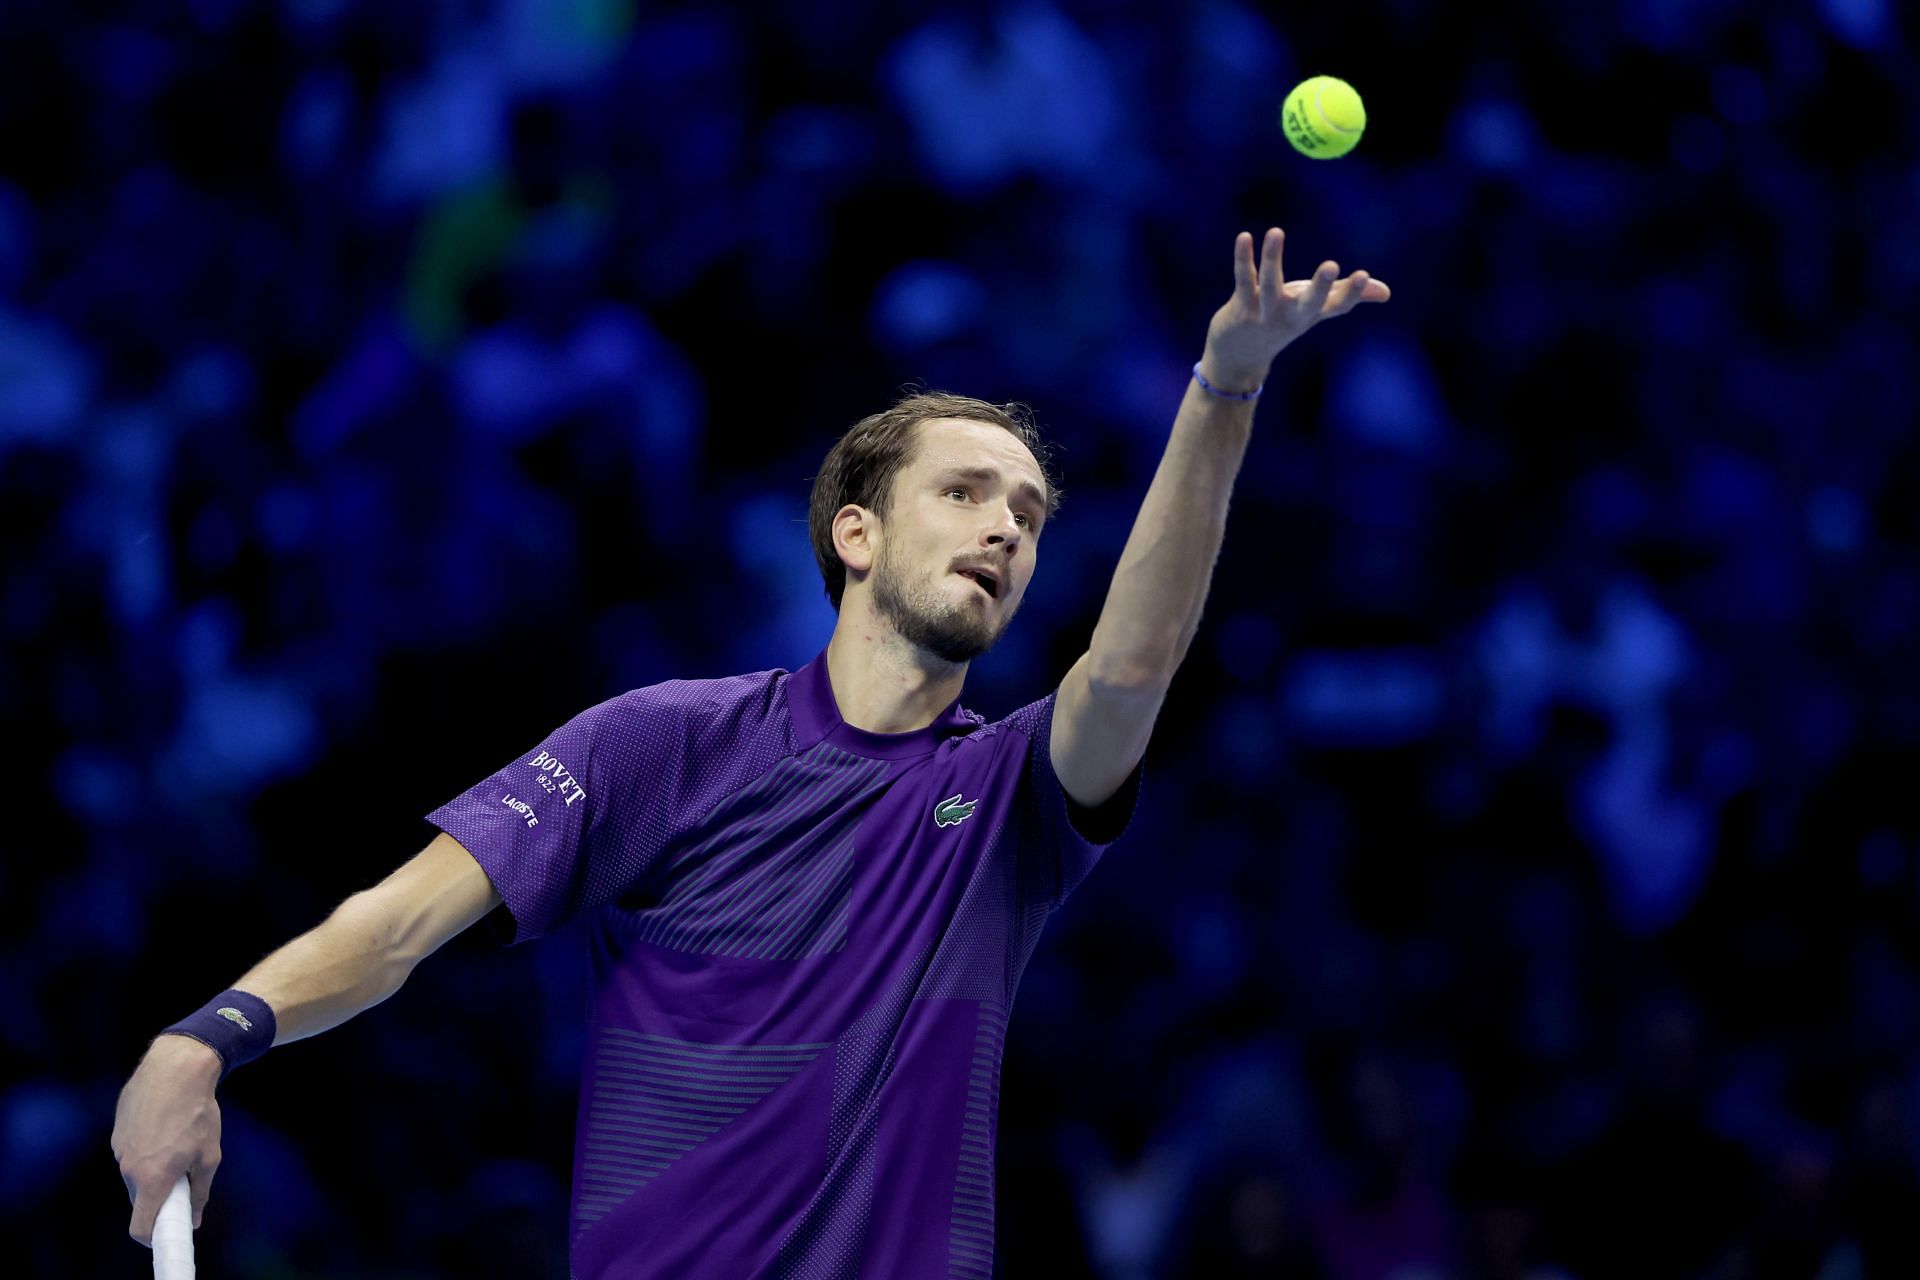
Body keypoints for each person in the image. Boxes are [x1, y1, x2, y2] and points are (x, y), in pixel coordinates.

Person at [111, 228, 1388, 1277]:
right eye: (964, 491)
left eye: (1030, 513)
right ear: (856, 533)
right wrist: (202, 1040)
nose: (1005, 526)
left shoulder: (1009, 797)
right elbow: (393, 926)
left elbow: (1130, 664)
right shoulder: (664, 742)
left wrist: (1224, 388)